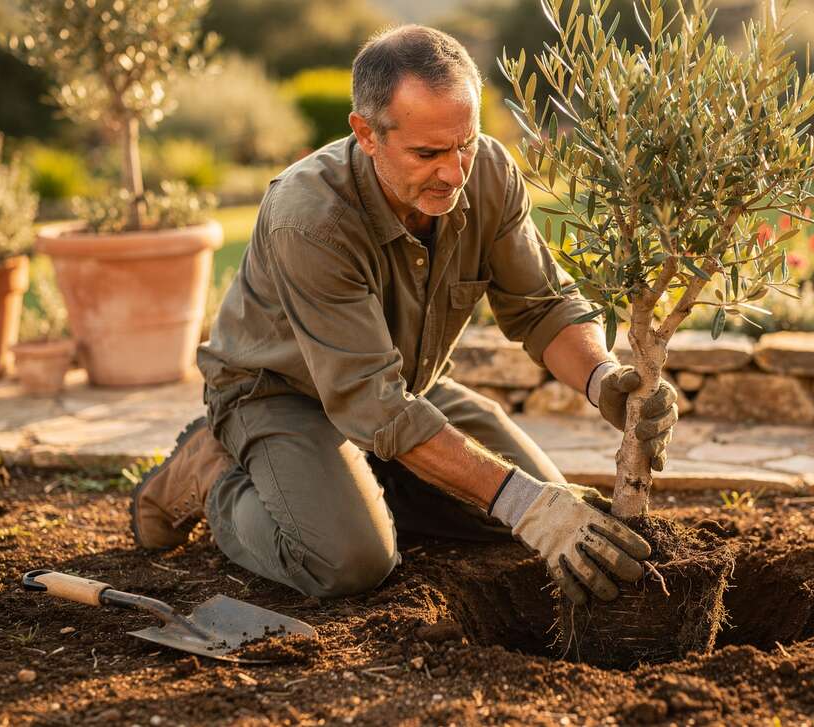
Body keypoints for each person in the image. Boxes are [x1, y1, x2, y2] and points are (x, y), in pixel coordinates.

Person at [129, 25, 677, 606]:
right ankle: (212, 476)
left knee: (543, 505)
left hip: (402, 390)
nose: (453, 172)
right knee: (352, 561)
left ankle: (362, 483)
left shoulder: (488, 172)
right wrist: (522, 503)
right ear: (366, 133)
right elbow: (372, 403)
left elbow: (542, 306)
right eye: (427, 153)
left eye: (463, 143)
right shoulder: (310, 217)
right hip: (280, 396)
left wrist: (605, 381)